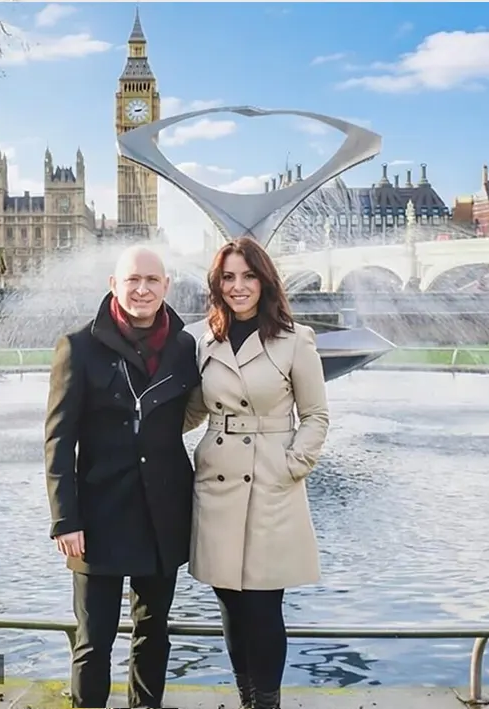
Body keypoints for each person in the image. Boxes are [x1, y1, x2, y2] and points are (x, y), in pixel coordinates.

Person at [43, 245, 201, 709]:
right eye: (132, 280)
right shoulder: (78, 347)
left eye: (152, 280)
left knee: (154, 637)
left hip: (163, 515)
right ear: (114, 285)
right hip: (97, 516)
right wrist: (64, 519)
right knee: (94, 643)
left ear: (166, 286)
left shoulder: (183, 347)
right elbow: (58, 440)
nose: (142, 289)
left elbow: (188, 415)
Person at [184, 237, 330, 709]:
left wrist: (292, 466)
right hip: (219, 478)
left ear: (264, 281)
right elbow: (189, 412)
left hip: (272, 481)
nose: (238, 286)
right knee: (228, 601)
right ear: (217, 283)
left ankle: (266, 703)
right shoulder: (204, 339)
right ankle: (246, 699)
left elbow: (316, 416)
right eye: (228, 277)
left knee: (264, 604)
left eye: (248, 276)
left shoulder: (294, 339)